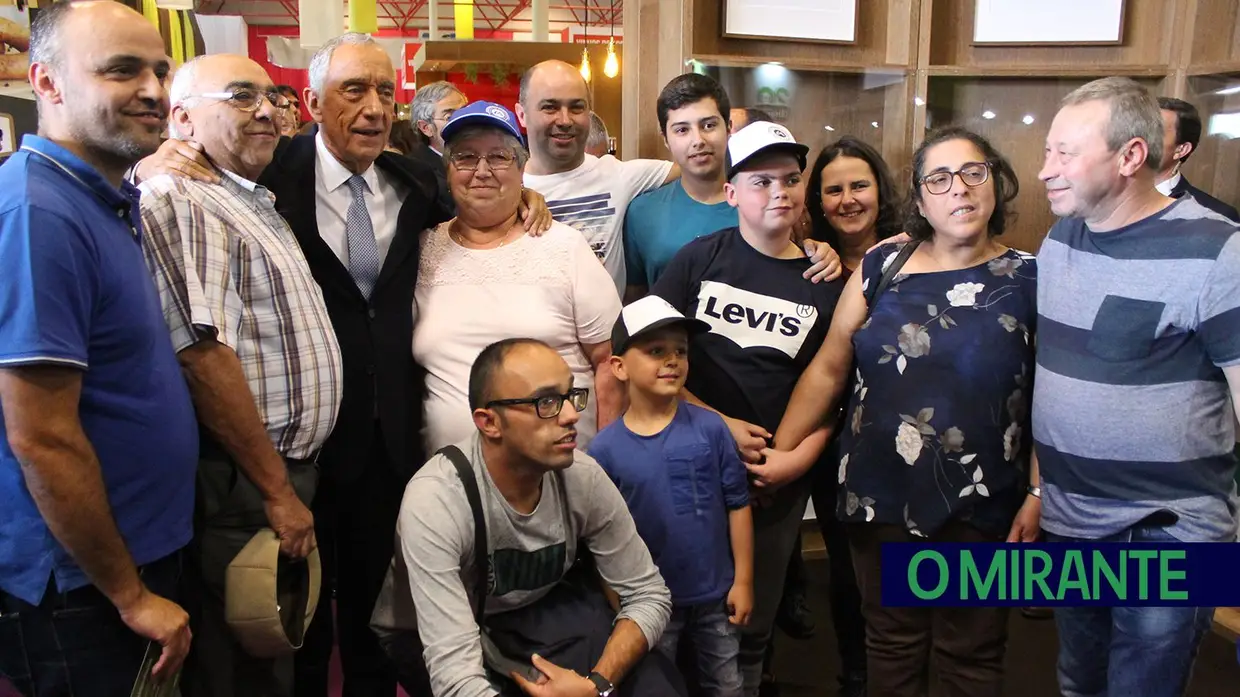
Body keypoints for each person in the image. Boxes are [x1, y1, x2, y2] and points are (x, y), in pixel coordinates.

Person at [132, 34, 551, 697]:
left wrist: (526, 199)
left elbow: (479, 217)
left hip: (384, 446)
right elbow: (175, 185)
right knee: (279, 621)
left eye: (387, 92)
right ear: (313, 102)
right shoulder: (260, 176)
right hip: (282, 455)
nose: (375, 108)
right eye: (355, 90)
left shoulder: (414, 181)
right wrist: (150, 162)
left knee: (371, 620)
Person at [777, 126, 1040, 697]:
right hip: (882, 496)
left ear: (996, 183)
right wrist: (780, 456)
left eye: (974, 173)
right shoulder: (882, 266)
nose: (960, 190)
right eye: (939, 179)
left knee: (971, 653)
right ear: (919, 199)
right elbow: (829, 368)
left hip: (983, 504)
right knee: (891, 648)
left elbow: (1051, 396)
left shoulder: (1029, 276)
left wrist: (1039, 494)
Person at [0, 1, 196, 694]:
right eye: (120, 70)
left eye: (159, 70)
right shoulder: (36, 212)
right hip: (86, 589)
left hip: (129, 560)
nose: (151, 89)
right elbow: (42, 436)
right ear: (46, 83)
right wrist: (128, 593)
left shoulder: (103, 196)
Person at [137, 53, 343, 697]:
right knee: (239, 667)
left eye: (268, 96)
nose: (264, 109)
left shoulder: (246, 197)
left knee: (269, 653)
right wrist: (277, 490)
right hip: (243, 480)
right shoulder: (180, 197)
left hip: (275, 477)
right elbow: (201, 356)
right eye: (239, 95)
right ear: (182, 121)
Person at [1036, 76, 1240, 697]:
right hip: (1071, 518)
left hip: (1169, 530)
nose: (1045, 170)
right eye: (1048, 150)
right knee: (1078, 681)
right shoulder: (1061, 235)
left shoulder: (1220, 250)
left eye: (1064, 153)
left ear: (1129, 157)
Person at [650, 121, 845, 697]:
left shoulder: (824, 281)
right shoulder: (698, 259)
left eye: (790, 179)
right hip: (689, 463)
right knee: (675, 615)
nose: (779, 192)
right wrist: (716, 424)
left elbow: (835, 389)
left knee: (750, 622)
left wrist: (793, 461)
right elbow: (646, 355)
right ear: (732, 192)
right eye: (761, 181)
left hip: (775, 482)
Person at [390, 338, 681, 697]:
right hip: (453, 624)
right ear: (489, 422)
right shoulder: (437, 500)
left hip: (545, 609)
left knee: (657, 684)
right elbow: (456, 678)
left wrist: (596, 687)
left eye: (570, 396)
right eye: (546, 402)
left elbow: (648, 594)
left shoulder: (583, 477)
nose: (572, 415)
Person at [414, 101, 623, 454]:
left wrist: (608, 459)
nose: (482, 170)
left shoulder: (564, 246)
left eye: (499, 156)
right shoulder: (421, 250)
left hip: (562, 472)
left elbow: (610, 362)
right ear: (448, 170)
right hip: (452, 483)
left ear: (522, 168)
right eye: (465, 157)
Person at [588, 296, 753, 697]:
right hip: (648, 604)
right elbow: (601, 539)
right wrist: (618, 603)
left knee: (727, 684)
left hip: (716, 594)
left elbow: (738, 505)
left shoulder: (712, 429)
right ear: (619, 366)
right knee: (656, 685)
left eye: (680, 350)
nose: (672, 360)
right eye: (656, 351)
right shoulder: (604, 452)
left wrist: (744, 581)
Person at [623, 74, 841, 305]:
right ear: (665, 139)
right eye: (682, 130)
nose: (698, 140)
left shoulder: (773, 205)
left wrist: (822, 255)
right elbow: (636, 301)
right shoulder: (642, 212)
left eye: (709, 125)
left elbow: (798, 263)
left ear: (728, 128)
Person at [516, 59, 679, 296]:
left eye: (576, 107)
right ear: (522, 115)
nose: (564, 120)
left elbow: (694, 167)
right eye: (550, 107)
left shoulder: (617, 175)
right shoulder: (508, 189)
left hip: (608, 331)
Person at [1154, 96, 1239, 222]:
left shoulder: (1216, 216)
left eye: (1153, 132)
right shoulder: (1115, 197)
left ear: (1181, 150)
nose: (1137, 140)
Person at [411, 80, 466, 215]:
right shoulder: (415, 173)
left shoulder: (479, 159)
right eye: (449, 117)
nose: (462, 121)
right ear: (426, 128)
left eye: (463, 113)